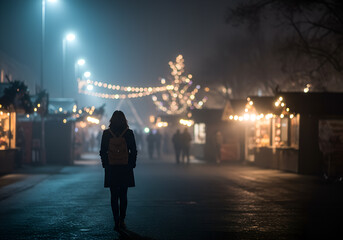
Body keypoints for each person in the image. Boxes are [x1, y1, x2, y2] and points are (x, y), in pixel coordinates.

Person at [99, 110, 137, 231]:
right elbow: (134, 150)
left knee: (114, 195)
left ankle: (115, 219)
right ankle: (122, 219)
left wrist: (106, 164)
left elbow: (102, 151)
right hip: (125, 167)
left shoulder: (106, 133)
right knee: (123, 195)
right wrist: (131, 164)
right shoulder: (129, 133)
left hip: (112, 168)